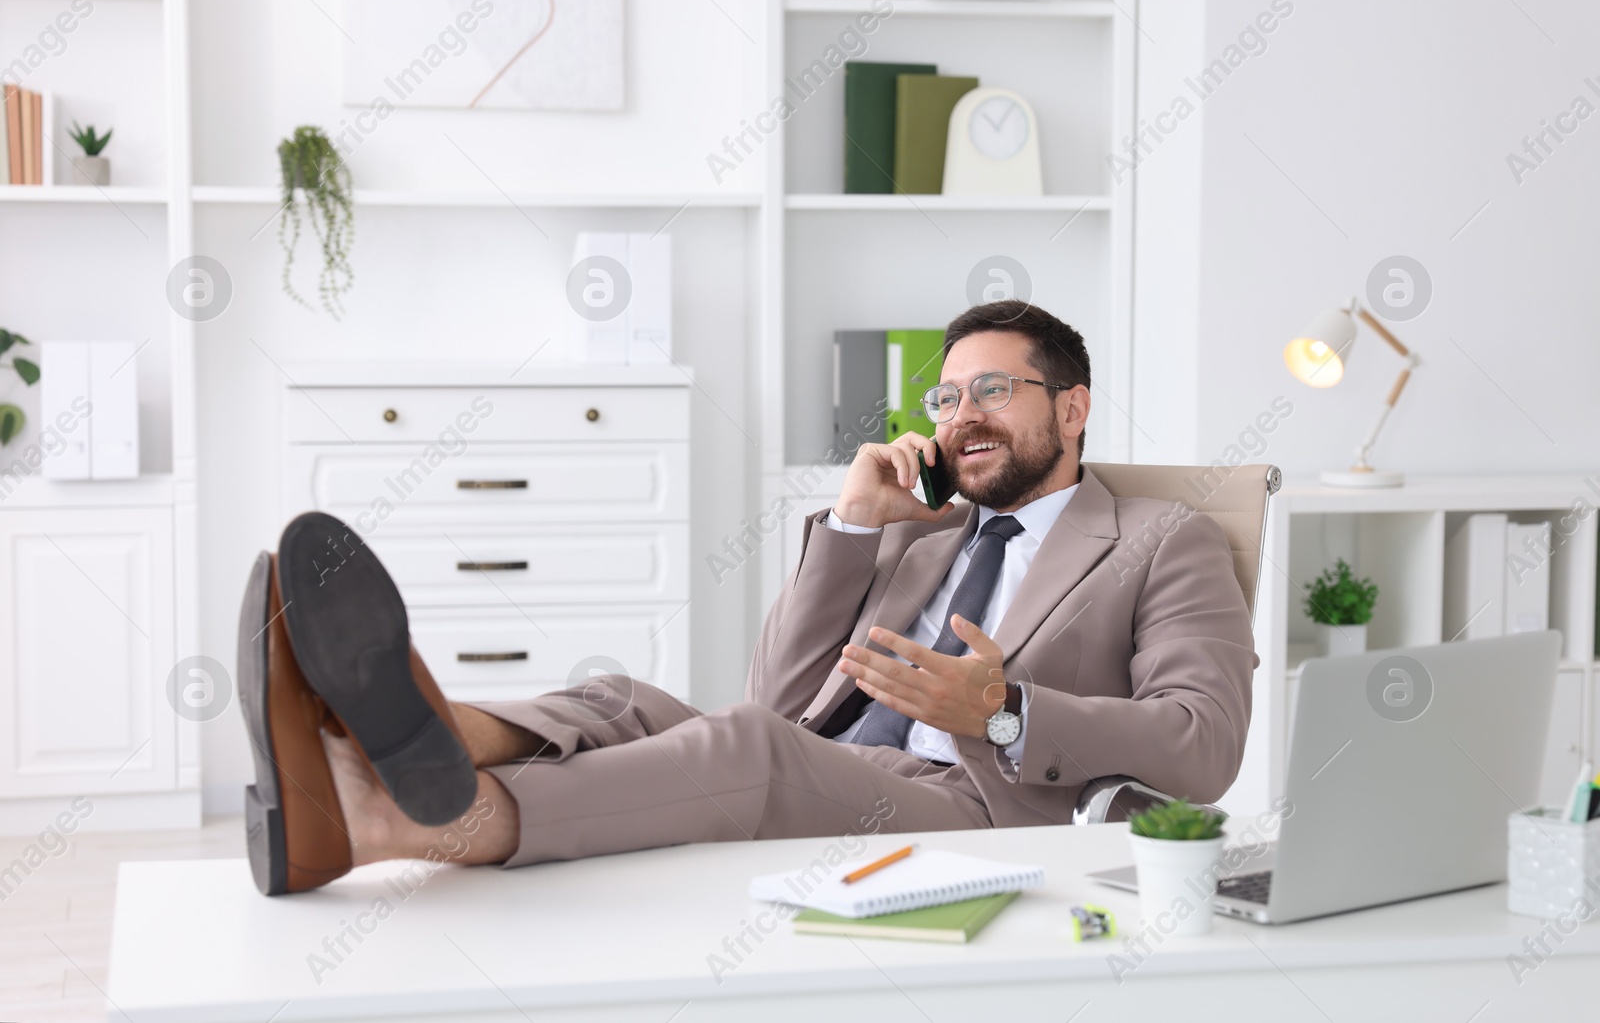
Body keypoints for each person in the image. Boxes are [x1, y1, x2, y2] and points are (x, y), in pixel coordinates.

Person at [240, 299, 1257, 895]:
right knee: (618, 699)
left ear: (1071, 407)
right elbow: (776, 696)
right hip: (837, 758)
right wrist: (853, 525)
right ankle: (405, 743)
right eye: (946, 396)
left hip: (980, 804)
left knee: (742, 748)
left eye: (992, 389)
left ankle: (399, 817)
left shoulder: (1164, 540)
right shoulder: (924, 526)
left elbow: (1202, 744)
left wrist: (1001, 708)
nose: (959, 416)